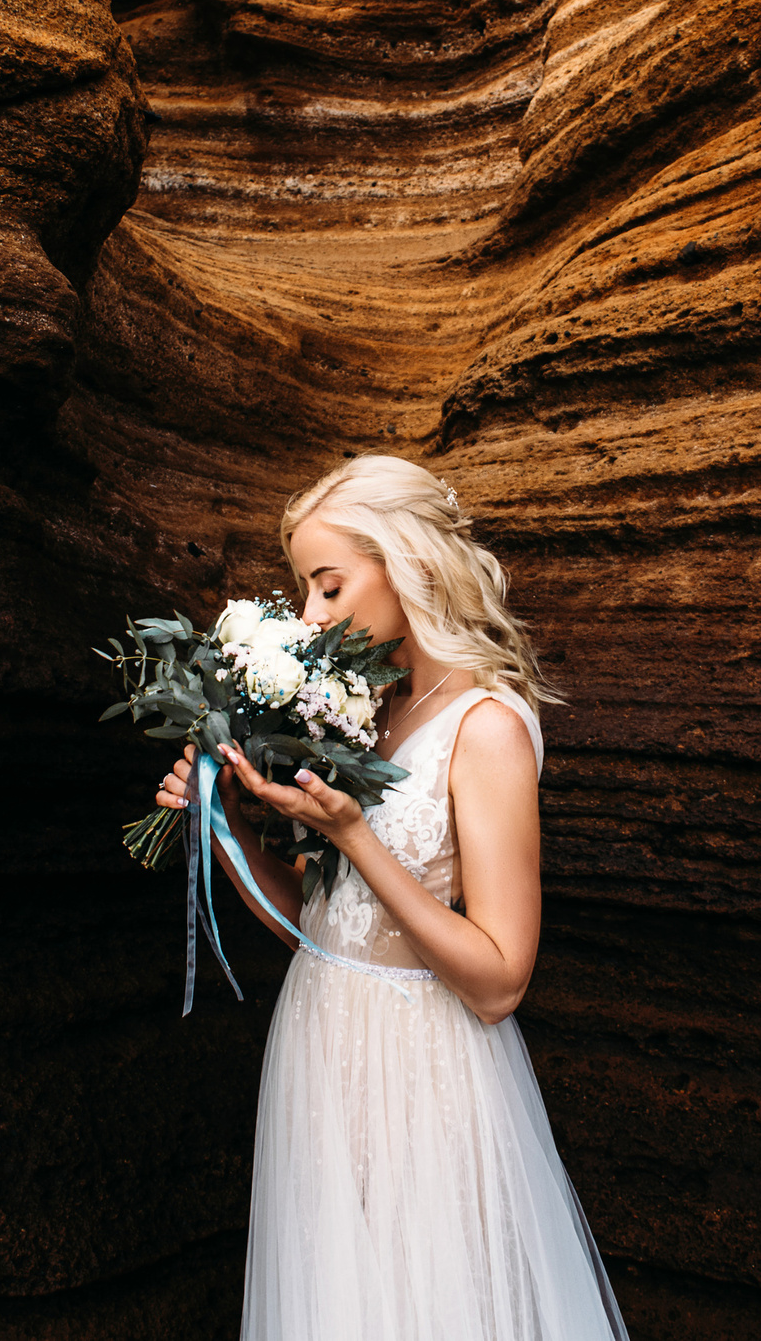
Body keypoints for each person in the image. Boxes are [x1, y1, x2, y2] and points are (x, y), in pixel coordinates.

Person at [157, 455, 629, 1341]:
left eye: (329, 585)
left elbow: (498, 982)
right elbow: (321, 927)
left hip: (424, 1071)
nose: (310, 616)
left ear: (405, 562)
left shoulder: (486, 727)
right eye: (307, 589)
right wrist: (223, 820)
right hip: (321, 1045)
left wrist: (351, 833)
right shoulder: (367, 709)